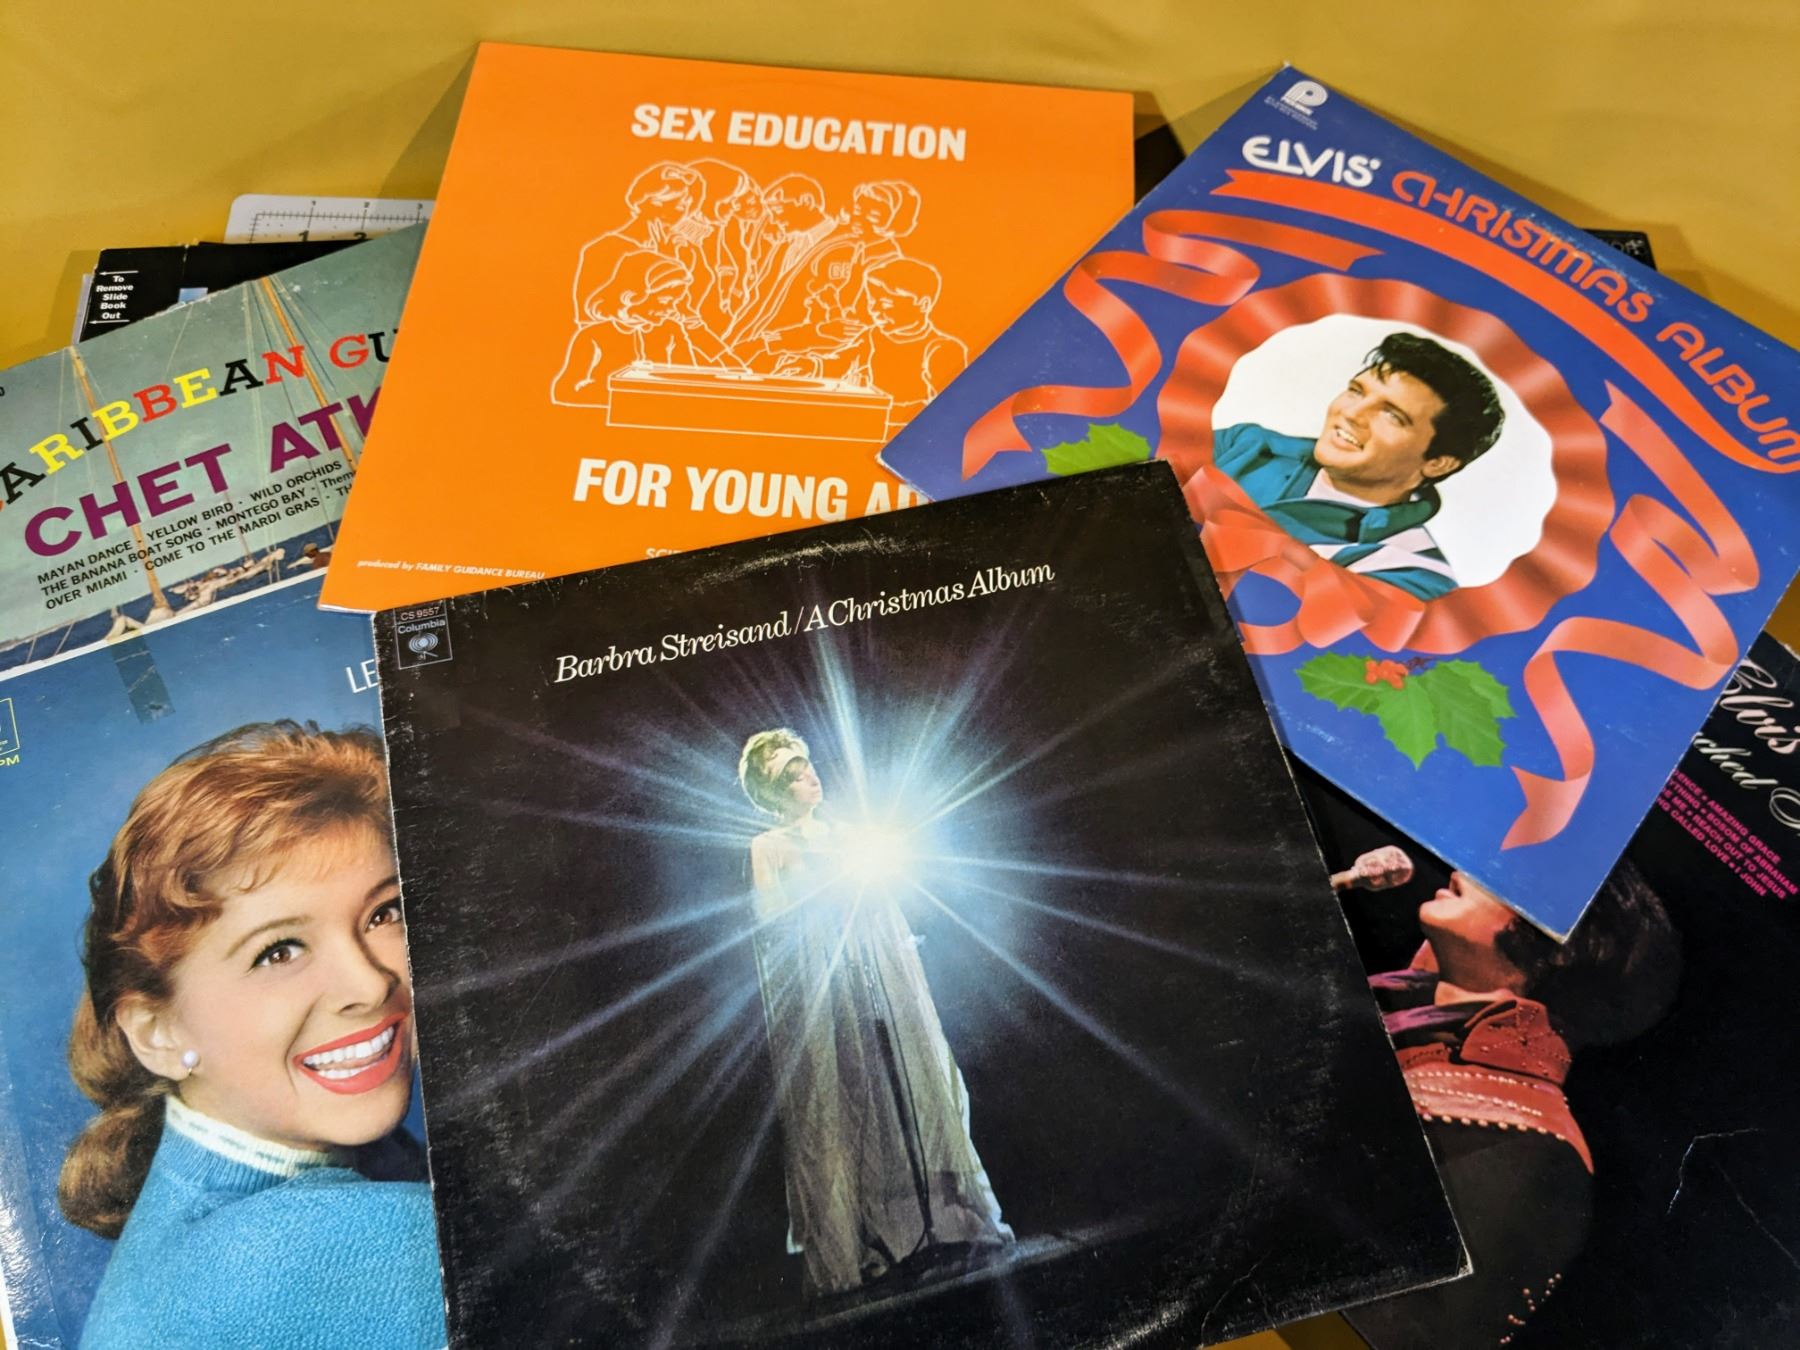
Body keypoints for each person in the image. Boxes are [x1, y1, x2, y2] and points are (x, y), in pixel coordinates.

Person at [62, 722, 446, 1349]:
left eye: (384, 912)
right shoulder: (323, 1248)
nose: (370, 984)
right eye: (279, 951)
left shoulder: (187, 1210)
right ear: (158, 1034)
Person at [1341, 860, 1681, 1350]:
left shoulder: (1539, 1155)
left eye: (1514, 879)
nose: (1465, 869)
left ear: (1568, 946)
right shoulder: (1377, 1008)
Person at [737, 728, 1012, 1299]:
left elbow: (885, 895)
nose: (808, 776)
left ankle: (941, 1222)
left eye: (805, 764)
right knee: (847, 1099)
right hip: (825, 989)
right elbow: (769, 918)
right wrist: (818, 893)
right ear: (773, 790)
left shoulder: (848, 834)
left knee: (905, 1085)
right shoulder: (768, 845)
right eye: (790, 773)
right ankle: (868, 1238)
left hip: (877, 975)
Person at [1214, 331, 1506, 599]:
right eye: (1357, 391)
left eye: (1392, 415)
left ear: (1438, 463)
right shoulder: (1245, 445)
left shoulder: (1410, 574)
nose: (1352, 413)